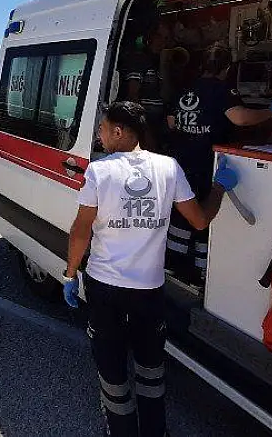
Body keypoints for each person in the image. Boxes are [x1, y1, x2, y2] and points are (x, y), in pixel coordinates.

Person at [62, 101, 238, 437]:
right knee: (150, 367)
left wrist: (70, 274)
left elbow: (80, 230)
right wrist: (219, 187)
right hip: (149, 290)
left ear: (118, 130)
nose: (99, 135)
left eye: (101, 128)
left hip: (105, 288)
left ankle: (121, 430)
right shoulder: (169, 168)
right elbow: (200, 220)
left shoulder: (99, 171)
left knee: (112, 367)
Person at [164, 45, 272, 286]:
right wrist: (271, 112)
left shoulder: (185, 90)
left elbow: (171, 123)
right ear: (228, 68)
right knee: (202, 218)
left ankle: (172, 264)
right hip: (205, 163)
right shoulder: (222, 90)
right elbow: (240, 118)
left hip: (180, 162)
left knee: (179, 215)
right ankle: (199, 274)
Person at [118, 0, 170, 150]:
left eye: (167, 38)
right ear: (149, 38)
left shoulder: (156, 61)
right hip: (146, 127)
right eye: (161, 37)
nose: (164, 42)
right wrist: (144, 132)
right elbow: (132, 96)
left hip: (157, 124)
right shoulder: (139, 60)